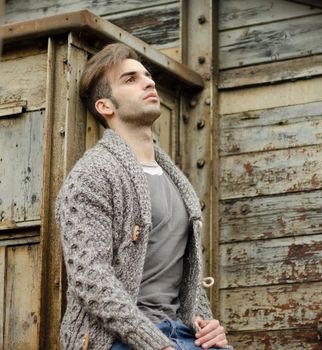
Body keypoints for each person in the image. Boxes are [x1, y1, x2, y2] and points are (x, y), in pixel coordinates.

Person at [55, 43, 230, 350]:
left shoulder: (175, 179)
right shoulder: (92, 174)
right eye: (130, 79)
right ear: (105, 106)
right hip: (118, 341)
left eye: (147, 76)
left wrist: (208, 327)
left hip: (184, 336)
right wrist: (154, 343)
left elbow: (181, 278)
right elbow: (89, 278)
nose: (148, 82)